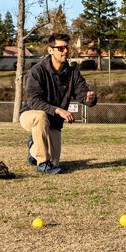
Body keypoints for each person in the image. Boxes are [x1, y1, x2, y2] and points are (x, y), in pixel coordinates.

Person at [19, 33, 97, 174]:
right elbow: (33, 100)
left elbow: (82, 93)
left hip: (53, 122)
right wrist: (58, 110)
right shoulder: (37, 71)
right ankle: (42, 164)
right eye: (60, 48)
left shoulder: (73, 73)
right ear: (50, 50)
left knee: (55, 161)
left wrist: (89, 99)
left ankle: (33, 148)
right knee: (40, 116)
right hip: (31, 114)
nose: (65, 51)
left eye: (67, 47)